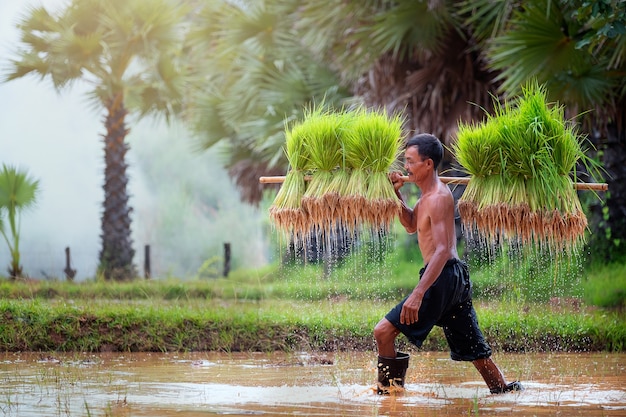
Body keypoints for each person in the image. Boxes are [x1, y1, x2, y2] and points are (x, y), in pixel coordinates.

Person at [373, 133, 523, 395]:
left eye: (410, 161)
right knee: (475, 349)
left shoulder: (440, 197)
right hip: (452, 279)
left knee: (383, 332)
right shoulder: (426, 197)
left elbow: (442, 250)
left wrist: (418, 293)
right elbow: (410, 225)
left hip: (442, 276)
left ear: (428, 164)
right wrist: (396, 196)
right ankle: (503, 391)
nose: (405, 167)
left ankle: (389, 396)